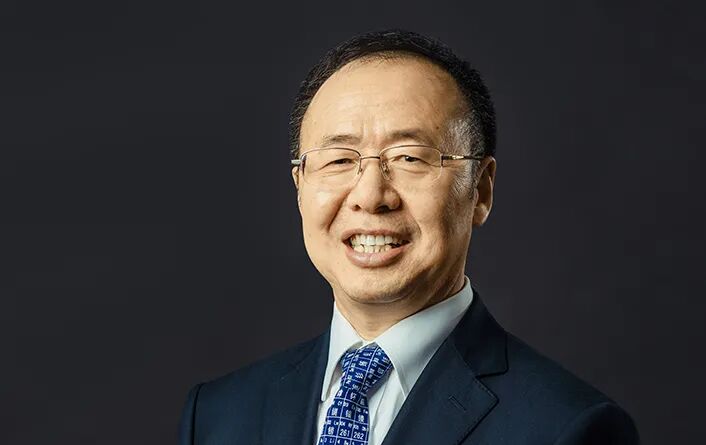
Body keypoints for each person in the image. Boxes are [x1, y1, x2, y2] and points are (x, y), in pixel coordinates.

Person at [178, 29, 639, 445]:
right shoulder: (217, 416)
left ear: (480, 190)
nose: (370, 196)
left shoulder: (568, 428)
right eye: (339, 160)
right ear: (299, 186)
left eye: (409, 157)